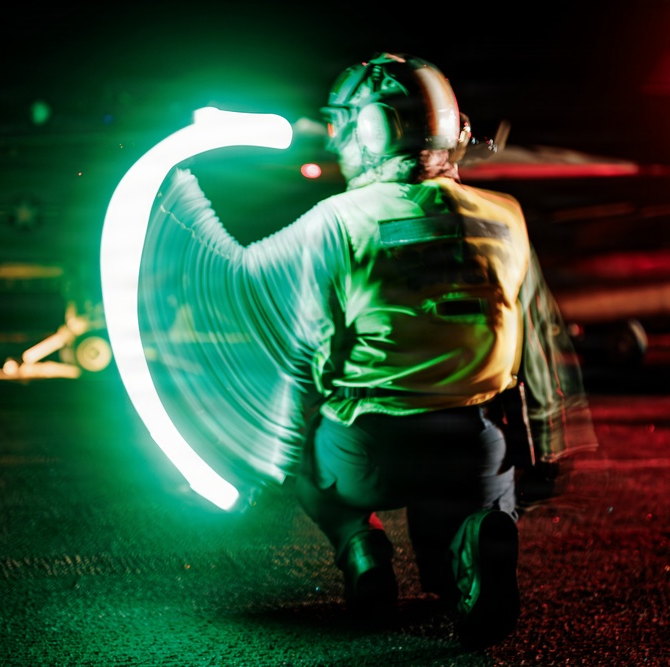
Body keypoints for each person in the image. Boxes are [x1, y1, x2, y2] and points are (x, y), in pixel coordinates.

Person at [139, 52, 596, 650]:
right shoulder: (505, 215)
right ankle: (476, 540)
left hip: (370, 445)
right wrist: (551, 439)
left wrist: (266, 452)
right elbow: (536, 336)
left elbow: (302, 346)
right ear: (450, 128)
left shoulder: (334, 222)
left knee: (314, 475)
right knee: (465, 533)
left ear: (367, 131)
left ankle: (363, 549)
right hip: (475, 437)